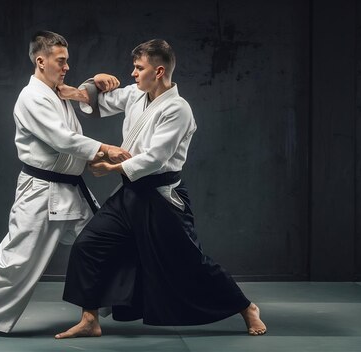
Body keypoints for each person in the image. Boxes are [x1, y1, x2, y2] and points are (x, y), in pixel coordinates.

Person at [54, 39, 267, 339]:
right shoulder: (135, 95)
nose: (133, 73)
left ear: (159, 71)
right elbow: (93, 103)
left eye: (139, 68)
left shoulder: (179, 109)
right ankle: (90, 318)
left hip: (161, 197)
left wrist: (110, 168)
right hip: (129, 195)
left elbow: (155, 158)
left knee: (191, 261)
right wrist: (92, 82)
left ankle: (246, 308)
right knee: (89, 245)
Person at [0, 30, 129, 338]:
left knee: (102, 244)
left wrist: (94, 84)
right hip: (40, 192)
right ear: (40, 60)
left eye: (67, 61)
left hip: (71, 191)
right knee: (17, 259)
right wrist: (106, 149)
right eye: (61, 61)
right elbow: (63, 139)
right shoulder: (31, 97)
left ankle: (91, 317)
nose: (66, 67)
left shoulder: (55, 92)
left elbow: (77, 96)